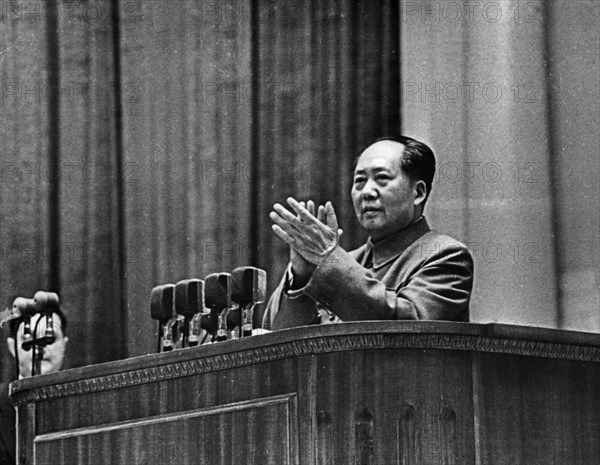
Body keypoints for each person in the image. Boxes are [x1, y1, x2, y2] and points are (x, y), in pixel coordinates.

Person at [263, 135, 473, 330]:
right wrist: (303, 276)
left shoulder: (446, 255)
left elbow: (409, 329)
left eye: (382, 178)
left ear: (417, 193)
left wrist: (330, 259)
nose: (367, 192)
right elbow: (274, 334)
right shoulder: (344, 260)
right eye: (360, 181)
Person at [0, 307, 68, 464]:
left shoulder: (85, 405)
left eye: (49, 338)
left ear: (64, 344)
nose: (40, 347)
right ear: (12, 347)